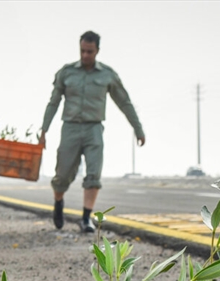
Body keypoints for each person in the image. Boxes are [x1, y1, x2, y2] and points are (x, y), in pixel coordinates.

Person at [39, 31, 145, 233]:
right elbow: (53, 102)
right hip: (70, 128)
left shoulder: (107, 75)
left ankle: (86, 218)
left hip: (94, 129)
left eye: (90, 51)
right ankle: (58, 202)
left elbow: (124, 102)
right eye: (82, 51)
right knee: (61, 175)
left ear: (97, 50)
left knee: (94, 174)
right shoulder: (67, 73)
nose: (85, 55)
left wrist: (137, 128)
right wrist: (44, 130)